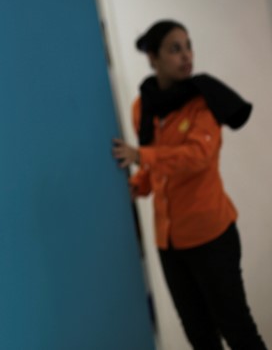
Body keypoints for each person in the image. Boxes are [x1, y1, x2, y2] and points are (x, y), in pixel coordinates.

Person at [111, 20, 266, 350]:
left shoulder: (204, 101)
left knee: (236, 327)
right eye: (175, 48)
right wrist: (138, 185)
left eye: (188, 46)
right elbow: (154, 167)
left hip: (211, 235)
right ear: (153, 58)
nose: (186, 56)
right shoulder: (144, 105)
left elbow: (196, 156)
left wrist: (141, 156)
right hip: (169, 242)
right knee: (198, 332)